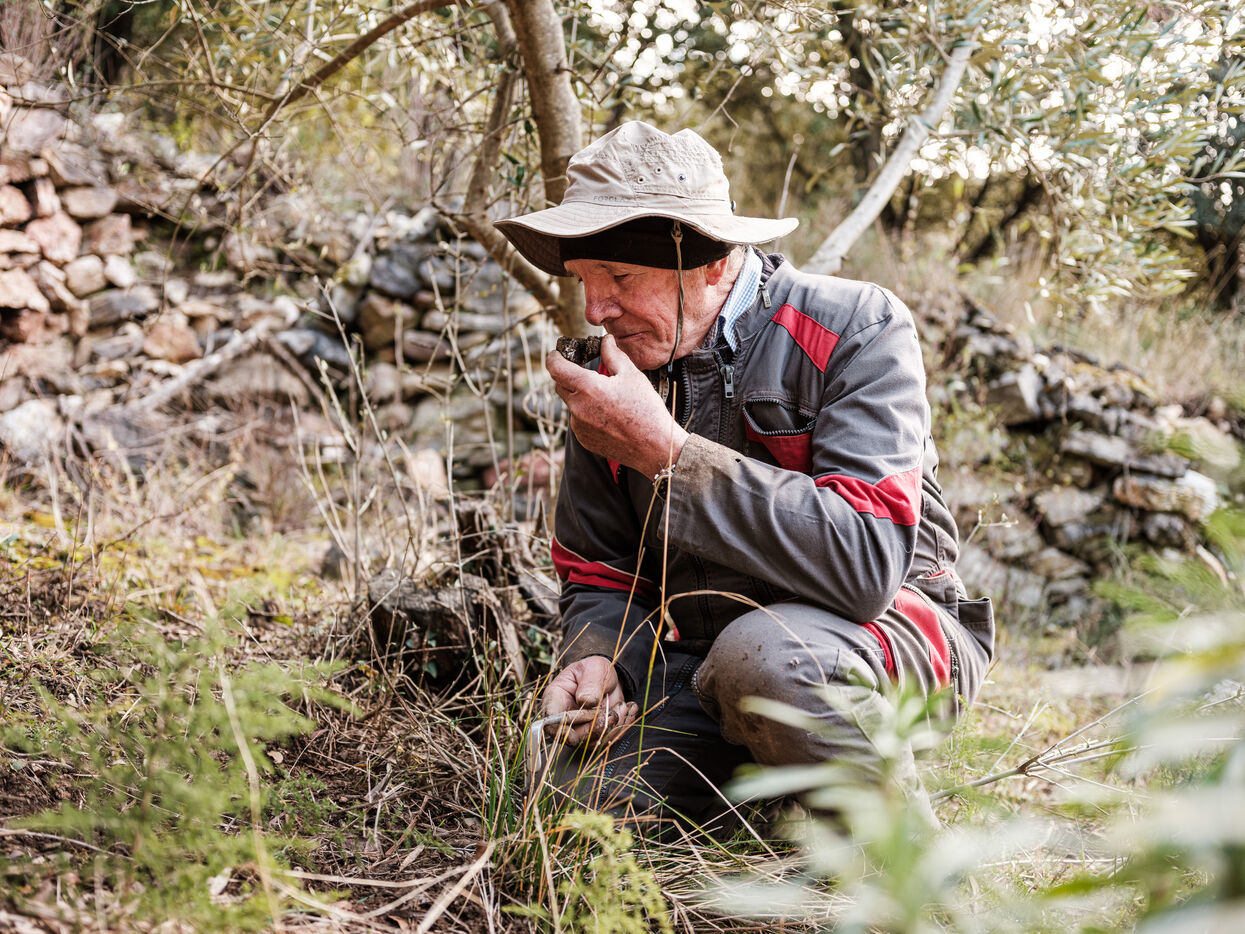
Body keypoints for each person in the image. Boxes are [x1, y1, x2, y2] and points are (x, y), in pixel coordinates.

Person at [495, 121, 994, 836]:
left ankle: (910, 866)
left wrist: (667, 452)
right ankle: (778, 788)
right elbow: (601, 570)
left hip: (889, 638)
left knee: (769, 662)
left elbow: (866, 563)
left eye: (620, 278)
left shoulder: (857, 326)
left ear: (712, 263)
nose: (595, 309)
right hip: (711, 666)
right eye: (583, 280)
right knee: (568, 808)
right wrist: (602, 658)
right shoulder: (618, 371)